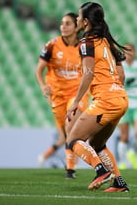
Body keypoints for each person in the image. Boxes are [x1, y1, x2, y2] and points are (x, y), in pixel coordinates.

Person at [66, 2, 130, 192]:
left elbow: (88, 73)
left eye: (78, 17)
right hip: (121, 98)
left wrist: (76, 102)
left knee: (73, 140)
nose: (77, 19)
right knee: (97, 143)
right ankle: (119, 183)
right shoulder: (107, 41)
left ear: (85, 22)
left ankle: (101, 171)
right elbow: (122, 75)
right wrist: (114, 92)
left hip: (106, 99)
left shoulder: (86, 42)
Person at [35, 12, 89, 179]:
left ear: (76, 27)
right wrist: (43, 86)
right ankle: (71, 164)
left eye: (67, 23)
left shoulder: (83, 47)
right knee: (66, 134)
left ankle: (70, 169)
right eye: (62, 23)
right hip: (57, 95)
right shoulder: (52, 45)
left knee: (70, 125)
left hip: (77, 93)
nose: (63, 27)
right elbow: (39, 69)